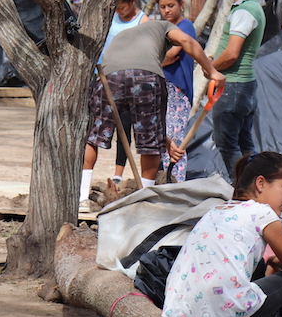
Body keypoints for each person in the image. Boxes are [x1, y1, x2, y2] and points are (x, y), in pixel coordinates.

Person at [161, 152, 282, 317]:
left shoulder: (217, 210)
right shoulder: (263, 213)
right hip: (220, 316)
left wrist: (271, 263)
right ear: (260, 183)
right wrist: (276, 261)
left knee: (258, 264)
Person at [79, 18, 225, 204]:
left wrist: (164, 140)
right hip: (145, 77)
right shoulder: (165, 26)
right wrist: (212, 71)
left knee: (94, 138)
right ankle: (146, 198)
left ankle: (81, 198)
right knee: (150, 145)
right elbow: (187, 41)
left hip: (108, 78)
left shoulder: (128, 35)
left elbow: (129, 97)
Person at [211, 0, 266, 171]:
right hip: (244, 86)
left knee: (227, 144)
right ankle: (253, 190)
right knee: (244, 144)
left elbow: (232, 54)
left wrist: (211, 67)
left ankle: (241, 189)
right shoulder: (252, 9)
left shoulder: (244, 11)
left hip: (233, 86)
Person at [102, 0, 149, 188]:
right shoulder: (109, 18)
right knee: (108, 129)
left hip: (131, 80)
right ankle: (111, 173)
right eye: (116, 9)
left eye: (122, 8)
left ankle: (126, 174)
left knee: (128, 127)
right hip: (106, 75)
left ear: (132, 2)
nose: (119, 12)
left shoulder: (143, 20)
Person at [157, 0, 197, 180]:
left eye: (171, 5)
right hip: (162, 88)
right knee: (162, 137)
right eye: (162, 7)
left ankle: (176, 182)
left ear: (181, 5)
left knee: (175, 140)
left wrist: (158, 59)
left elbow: (170, 56)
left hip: (177, 90)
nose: (167, 10)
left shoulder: (185, 27)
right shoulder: (164, 30)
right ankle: (165, 180)